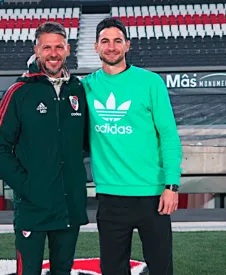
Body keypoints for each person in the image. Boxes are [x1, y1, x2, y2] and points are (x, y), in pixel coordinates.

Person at [80, 17, 183, 275]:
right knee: (113, 269)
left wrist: (171, 185)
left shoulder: (150, 82)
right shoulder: (85, 87)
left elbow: (169, 136)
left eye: (117, 41)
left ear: (128, 45)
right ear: (96, 47)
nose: (111, 47)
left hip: (154, 195)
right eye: (105, 41)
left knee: (161, 267)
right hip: (110, 196)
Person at [0, 22, 89, 275]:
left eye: (58, 47)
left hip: (69, 206)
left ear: (67, 50)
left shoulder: (78, 90)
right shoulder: (19, 92)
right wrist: (27, 186)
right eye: (47, 48)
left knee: (62, 271)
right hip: (33, 207)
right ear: (36, 50)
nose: (53, 53)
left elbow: (88, 143)